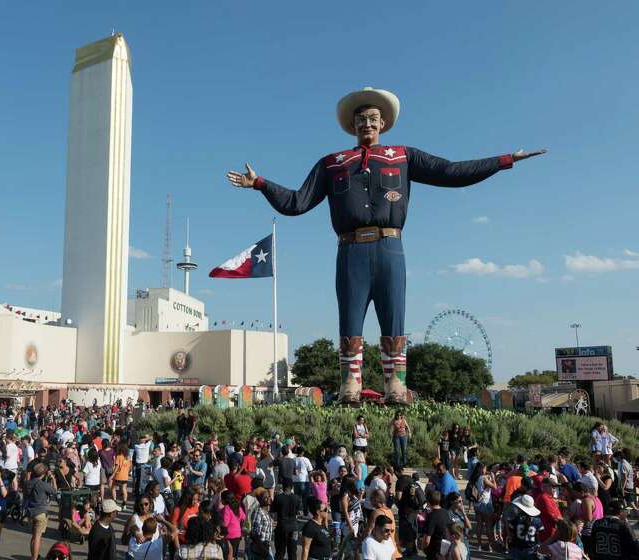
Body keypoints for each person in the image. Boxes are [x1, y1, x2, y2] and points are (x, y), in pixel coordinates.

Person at [226, 86, 545, 403]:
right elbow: (296, 202)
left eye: (374, 118)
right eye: (361, 118)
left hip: (390, 247)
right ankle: (350, 380)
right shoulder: (333, 162)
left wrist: (504, 160)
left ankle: (396, 382)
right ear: (352, 125)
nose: (367, 123)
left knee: (394, 315)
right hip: (349, 250)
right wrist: (261, 184)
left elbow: (451, 172)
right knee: (349, 318)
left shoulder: (403, 156)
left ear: (383, 123)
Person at [237, 490, 277, 560]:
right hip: (258, 549)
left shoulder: (267, 513)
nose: (269, 499)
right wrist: (263, 551)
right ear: (260, 500)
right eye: (266, 497)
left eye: (269, 497)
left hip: (266, 547)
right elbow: (254, 534)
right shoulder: (258, 512)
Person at [503, 494, 544, 560]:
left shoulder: (515, 519)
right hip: (532, 550)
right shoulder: (538, 521)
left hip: (516, 549)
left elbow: (510, 535)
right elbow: (540, 535)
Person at [23, 462, 55, 560]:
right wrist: (53, 480)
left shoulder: (27, 483)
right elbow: (54, 491)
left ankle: (33, 557)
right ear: (43, 474)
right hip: (40, 513)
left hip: (30, 513)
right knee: (37, 537)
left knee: (33, 536)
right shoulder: (42, 484)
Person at [269, 479, 300, 560]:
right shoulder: (297, 498)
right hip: (294, 527)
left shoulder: (278, 497)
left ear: (282, 486)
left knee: (280, 552)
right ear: (292, 487)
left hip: (281, 527)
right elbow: (298, 514)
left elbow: (272, 512)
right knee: (293, 553)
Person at [421, 490, 450, 560]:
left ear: (428, 501)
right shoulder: (445, 513)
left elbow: (427, 539)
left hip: (434, 556)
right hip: (445, 555)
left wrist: (424, 548)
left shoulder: (432, 516)